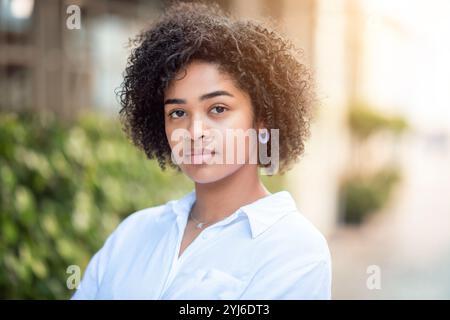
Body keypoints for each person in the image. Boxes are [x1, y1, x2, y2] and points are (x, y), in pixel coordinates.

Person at [72, 1, 331, 300]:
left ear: (262, 121)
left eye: (218, 109)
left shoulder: (295, 250)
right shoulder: (134, 232)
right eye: (178, 113)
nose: (194, 133)